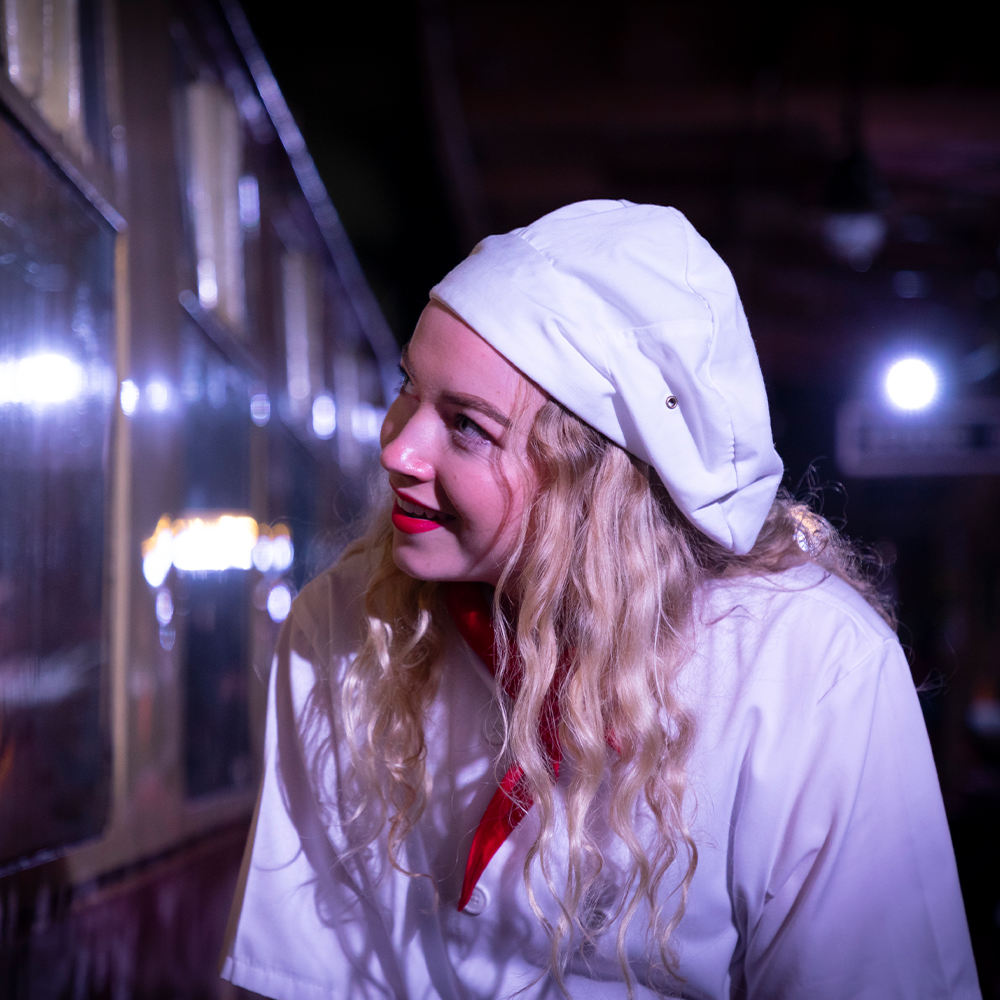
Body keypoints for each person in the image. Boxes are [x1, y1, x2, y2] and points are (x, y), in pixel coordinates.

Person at [221, 201, 979, 999]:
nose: (397, 446)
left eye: (467, 426)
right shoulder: (351, 623)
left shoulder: (811, 666)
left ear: (597, 481)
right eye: (409, 387)